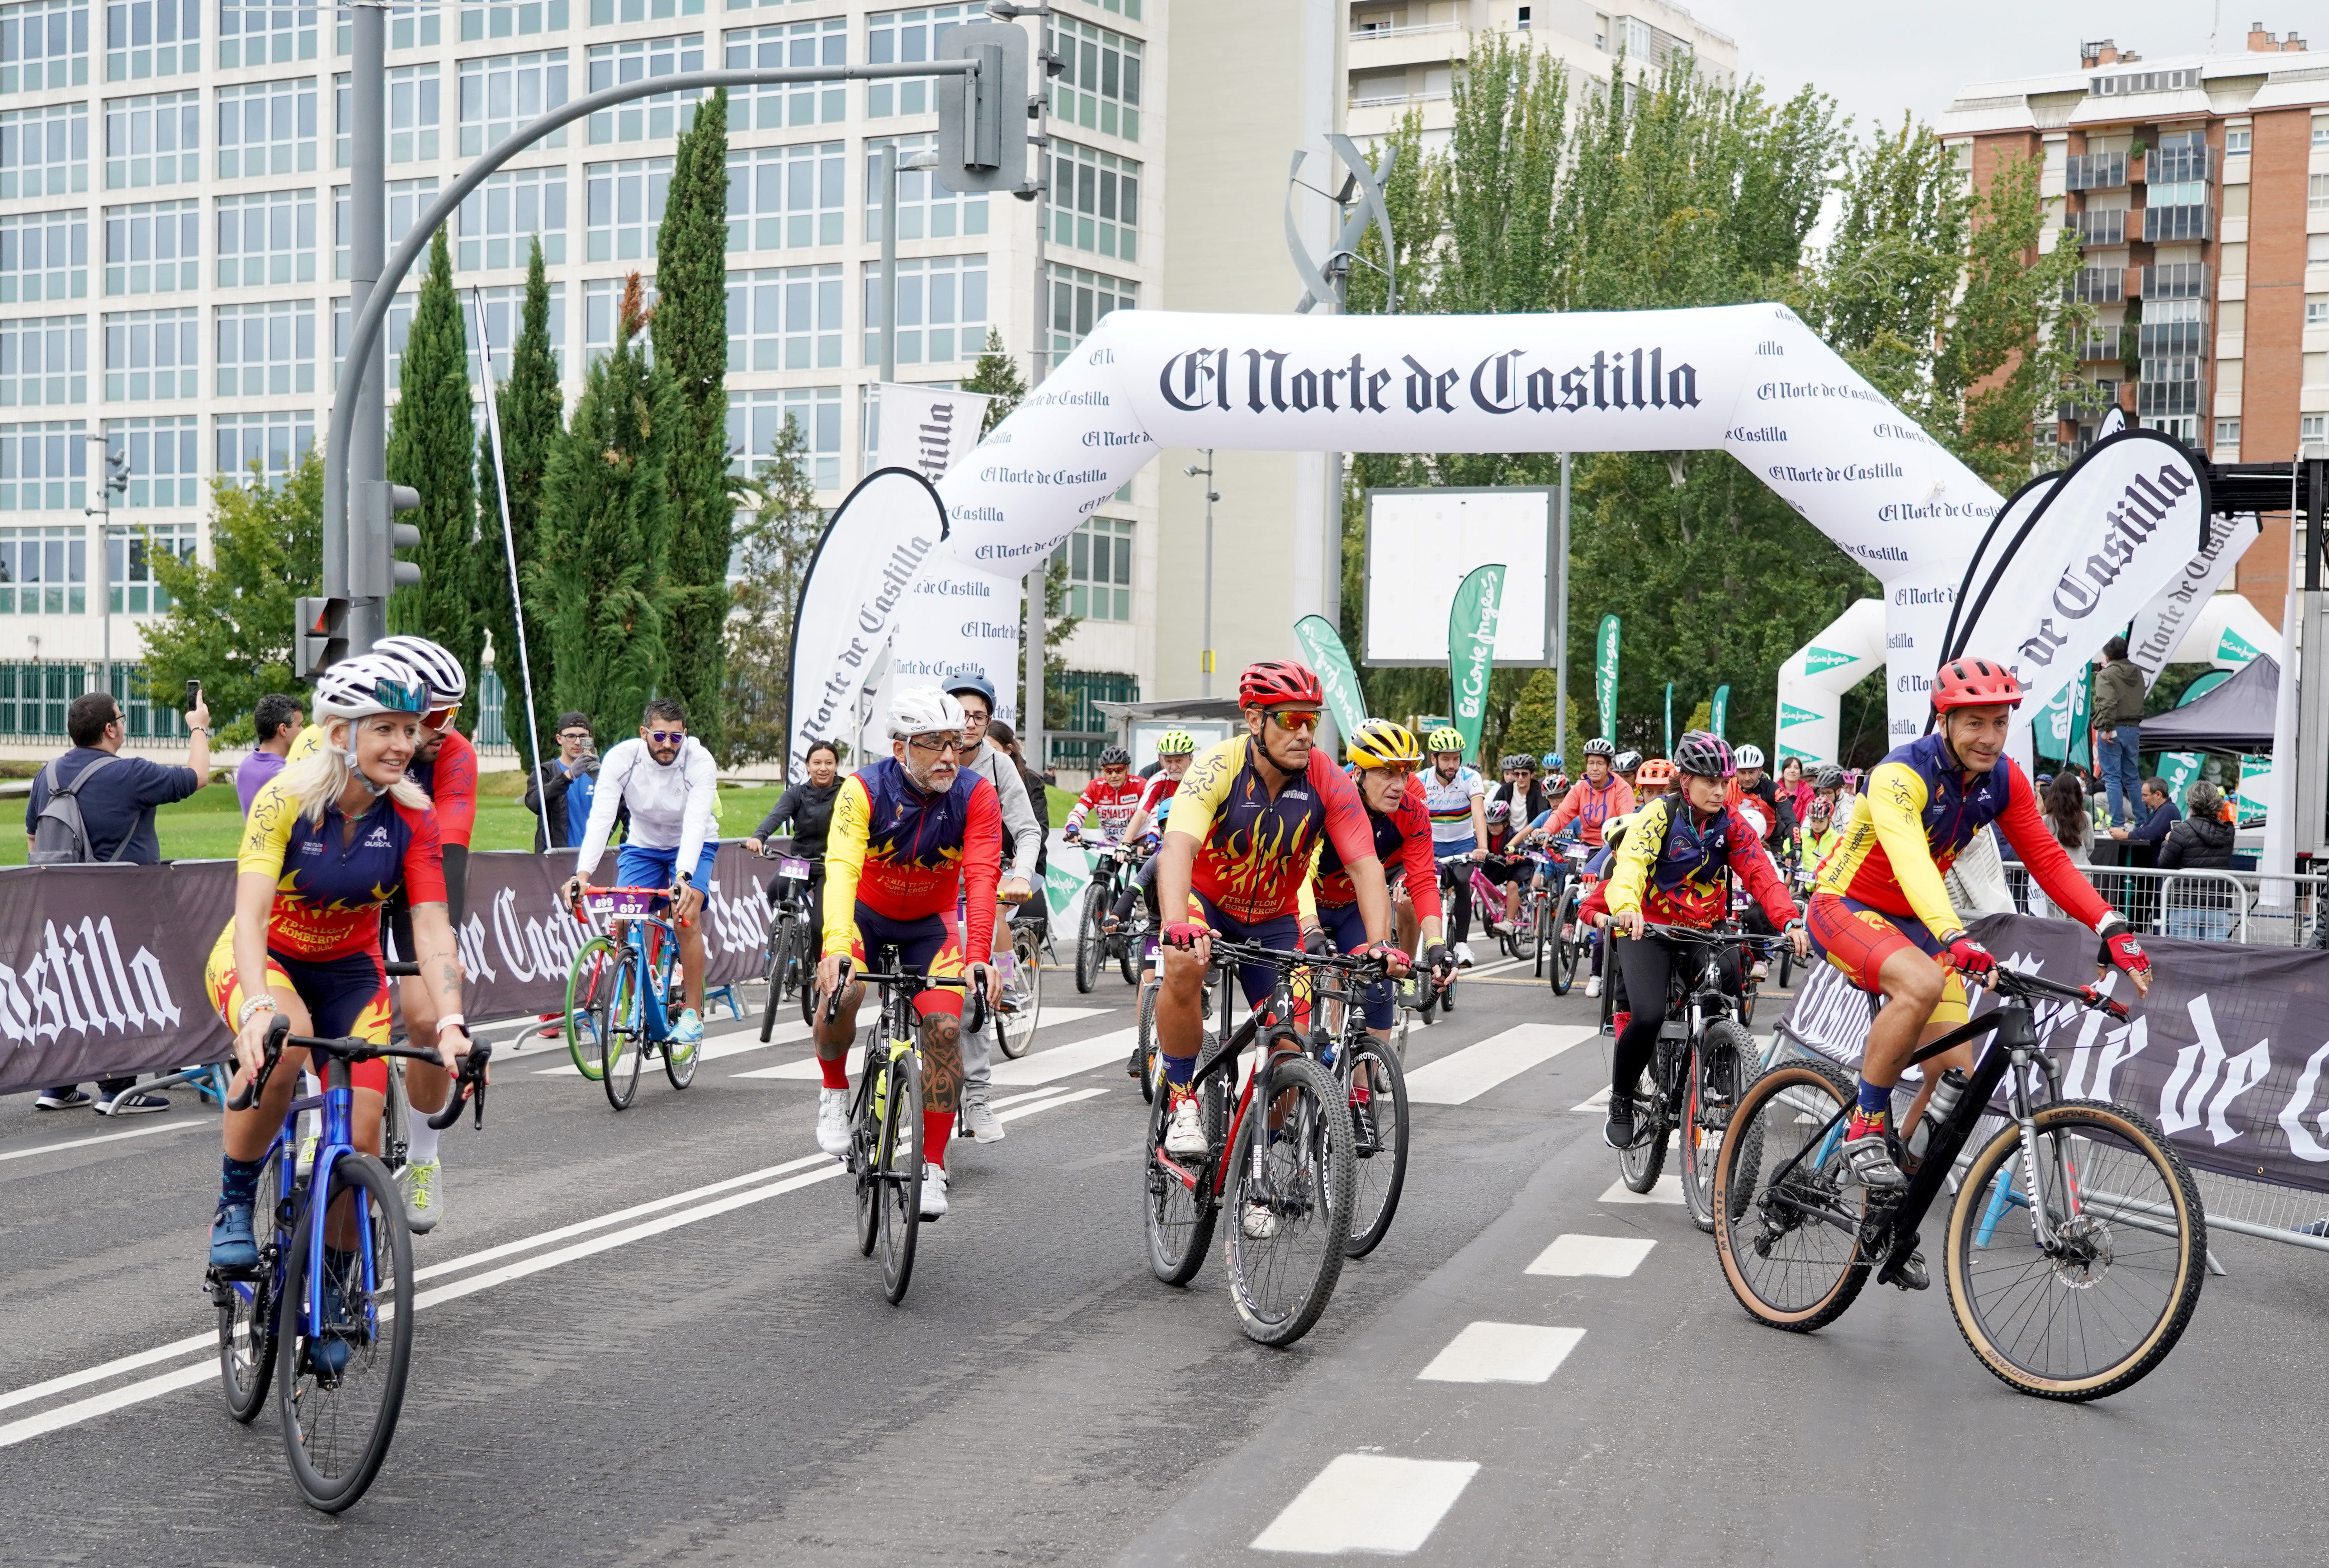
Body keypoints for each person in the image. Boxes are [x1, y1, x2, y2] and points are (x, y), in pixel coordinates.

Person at [1808, 657, 2153, 1277]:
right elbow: (1911, 860)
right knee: (1917, 982)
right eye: (1974, 723)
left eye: (1998, 722)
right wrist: (1951, 936)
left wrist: (2109, 925)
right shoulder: (1898, 774)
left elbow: (2046, 859)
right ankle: (1863, 1125)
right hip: (1846, 905)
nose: (1988, 737)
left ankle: (1892, 1195)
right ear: (1944, 720)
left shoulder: (2003, 780)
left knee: (1956, 1079)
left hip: (1916, 922)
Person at [206, 655, 474, 1296]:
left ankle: (334, 1282)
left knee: (360, 1138)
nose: (405, 744)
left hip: (352, 972)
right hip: (267, 958)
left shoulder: (413, 816)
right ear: (339, 734)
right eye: (384, 728)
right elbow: (249, 916)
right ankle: (234, 1202)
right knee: (286, 1037)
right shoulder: (285, 799)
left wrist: (453, 1023)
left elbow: (434, 928)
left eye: (410, 729)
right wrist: (253, 1010)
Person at [1154, 662, 1407, 1191]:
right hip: (1209, 904)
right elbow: (1178, 846)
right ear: (1254, 719)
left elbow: (1366, 868)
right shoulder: (1217, 767)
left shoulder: (1327, 779)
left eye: (1312, 720)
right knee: (1182, 962)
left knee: (1291, 1049)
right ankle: (1181, 1097)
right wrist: (1177, 922)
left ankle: (1256, 1167)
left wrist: (1382, 944)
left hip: (1275, 919)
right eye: (1290, 719)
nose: (1304, 733)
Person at [288, 634, 477, 1230]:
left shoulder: (454, 756)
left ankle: (424, 1156)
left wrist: (440, 984)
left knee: (422, 1017)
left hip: (412, 878)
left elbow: (442, 870)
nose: (444, 728)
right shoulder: (325, 740)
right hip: (333, 881)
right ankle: (316, 1109)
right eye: (437, 714)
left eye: (452, 714)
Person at [809, 688, 1003, 1218]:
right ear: (900, 749)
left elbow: (982, 876)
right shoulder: (862, 789)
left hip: (930, 927)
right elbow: (843, 867)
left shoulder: (976, 793)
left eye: (956, 743)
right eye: (934, 744)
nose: (949, 755)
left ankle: (933, 1164)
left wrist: (980, 955)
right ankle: (832, 1091)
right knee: (842, 989)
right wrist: (835, 946)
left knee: (944, 1031)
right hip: (864, 919)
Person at [1602, 732, 1806, 1152]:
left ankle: (1718, 1060)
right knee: (1646, 1015)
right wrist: (1626, 905)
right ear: (1684, 780)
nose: (1719, 790)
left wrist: (1789, 922)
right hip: (1649, 928)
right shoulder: (1659, 814)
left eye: (1724, 781)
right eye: (1709, 781)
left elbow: (1761, 874)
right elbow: (1632, 863)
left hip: (1704, 927)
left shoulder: (1730, 822)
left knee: (1729, 972)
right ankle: (1620, 1099)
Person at [28, 687, 213, 1114]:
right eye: (122, 717)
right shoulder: (129, 773)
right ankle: (118, 1089)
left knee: (70, 984)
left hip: (61, 902)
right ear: (110, 729)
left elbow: (36, 839)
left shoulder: (47, 775)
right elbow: (197, 777)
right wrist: (198, 727)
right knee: (120, 985)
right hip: (123, 903)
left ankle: (57, 1085)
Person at [564, 696, 721, 1057]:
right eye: (660, 736)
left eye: (676, 738)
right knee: (622, 919)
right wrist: (582, 874)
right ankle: (637, 1002)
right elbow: (602, 818)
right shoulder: (623, 758)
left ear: (686, 736)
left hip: (693, 842)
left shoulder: (700, 762)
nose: (668, 745)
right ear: (644, 733)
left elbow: (696, 823)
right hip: (643, 844)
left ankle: (693, 1013)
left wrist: (682, 876)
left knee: (686, 916)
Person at [1307, 720, 1449, 1070]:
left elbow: (1423, 882)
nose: (1399, 785)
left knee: (1379, 987)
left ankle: (1360, 1101)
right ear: (1357, 771)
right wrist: (1310, 926)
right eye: (1386, 773)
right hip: (1303, 906)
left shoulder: (1413, 813)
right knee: (1291, 1009)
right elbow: (1301, 873)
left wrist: (1436, 945)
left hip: (1353, 909)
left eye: (1405, 773)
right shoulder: (1329, 800)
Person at [938, 673, 1042, 1144]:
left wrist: (1020, 874)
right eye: (962, 714)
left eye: (979, 716)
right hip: (927, 884)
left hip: (983, 880)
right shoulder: (924, 753)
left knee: (971, 986)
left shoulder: (998, 768)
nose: (970, 724)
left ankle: (977, 1096)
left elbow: (1027, 829)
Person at [1421, 727, 1489, 970]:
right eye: (1446, 759)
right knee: (1425, 886)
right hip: (1431, 843)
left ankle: (1461, 943)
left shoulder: (1470, 778)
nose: (1452, 764)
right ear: (1434, 759)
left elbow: (1479, 813)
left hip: (1463, 843)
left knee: (1462, 882)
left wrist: (1482, 847)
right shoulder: (1421, 781)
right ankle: (1425, 941)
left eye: (1456, 758)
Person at [744, 739, 842, 889]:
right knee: (776, 890)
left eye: (829, 763)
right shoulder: (797, 793)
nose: (823, 768)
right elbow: (776, 816)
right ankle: (789, 914)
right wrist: (759, 837)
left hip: (832, 865)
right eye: (817, 763)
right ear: (808, 766)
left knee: (822, 911)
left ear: (836, 766)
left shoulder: (847, 792)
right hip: (799, 862)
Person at [2159, 781, 2237, 939]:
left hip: (2185, 904)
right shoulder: (2227, 832)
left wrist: (2167, 841)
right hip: (2217, 904)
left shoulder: (2181, 831)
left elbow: (2164, 864)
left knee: (2184, 956)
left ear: (2191, 803)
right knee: (2217, 957)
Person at [522, 712, 606, 852]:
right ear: (559, 739)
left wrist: (603, 781)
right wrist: (568, 776)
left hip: (593, 858)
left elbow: (622, 810)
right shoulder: (546, 772)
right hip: (558, 857)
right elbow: (534, 803)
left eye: (583, 736)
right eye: (571, 736)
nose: (578, 742)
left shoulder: (600, 773)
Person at [2090, 636, 2147, 829]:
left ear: (2107, 655)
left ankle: (2117, 824)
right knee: (2132, 777)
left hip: (2112, 729)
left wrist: (2106, 728)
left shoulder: (2105, 676)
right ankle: (2142, 822)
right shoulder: (2137, 672)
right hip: (2133, 728)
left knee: (2112, 778)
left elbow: (2108, 702)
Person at [1062, 746, 1145, 848]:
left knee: (1144, 862)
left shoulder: (1140, 785)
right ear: (1103, 770)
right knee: (1104, 864)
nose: (1114, 775)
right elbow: (1079, 812)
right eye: (1109, 771)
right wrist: (1072, 829)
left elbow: (1154, 812)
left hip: (1139, 839)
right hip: (1112, 842)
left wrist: (1152, 839)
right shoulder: (1095, 787)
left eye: (1119, 770)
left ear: (1127, 769)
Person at [235, 693, 303, 815]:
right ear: (283, 730)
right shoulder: (283, 774)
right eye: (299, 725)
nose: (303, 731)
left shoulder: (246, 765)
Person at [2109, 777, 2181, 846]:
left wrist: (2125, 835)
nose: (2143, 800)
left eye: (2145, 796)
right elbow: (2145, 830)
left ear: (2158, 795)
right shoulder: (2161, 810)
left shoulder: (2168, 809)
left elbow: (2151, 833)